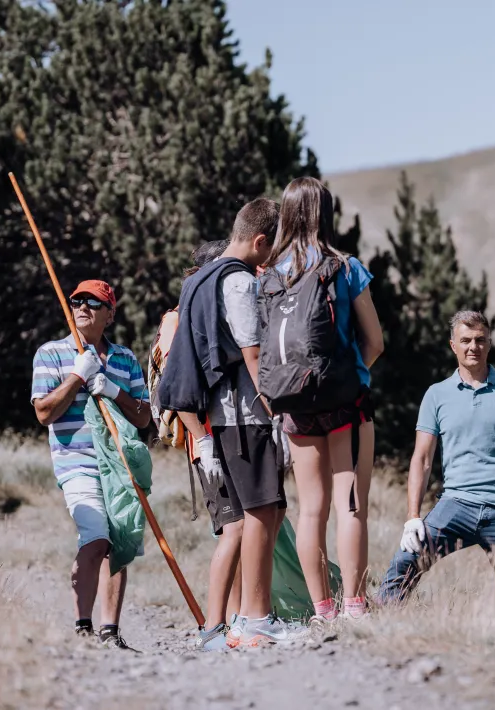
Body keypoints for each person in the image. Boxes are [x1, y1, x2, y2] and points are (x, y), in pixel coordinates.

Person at [162, 198, 301, 647]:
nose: (272, 257)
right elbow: (253, 352)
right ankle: (255, 620)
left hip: (222, 417)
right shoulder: (238, 281)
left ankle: (246, 619)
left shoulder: (199, 280)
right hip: (246, 415)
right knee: (262, 513)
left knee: (260, 513)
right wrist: (276, 412)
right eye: (271, 247)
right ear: (259, 240)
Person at [266, 177, 384, 623]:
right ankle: (354, 605)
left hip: (294, 404)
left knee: (310, 508)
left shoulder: (273, 276)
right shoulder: (345, 267)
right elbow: (375, 341)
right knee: (350, 502)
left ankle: (322, 609)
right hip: (344, 403)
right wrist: (348, 375)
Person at [376, 311, 495, 606]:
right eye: (466, 340)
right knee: (404, 565)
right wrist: (413, 517)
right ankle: (381, 626)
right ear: (453, 345)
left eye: (480, 340)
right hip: (456, 506)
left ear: (489, 343)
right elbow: (422, 459)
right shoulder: (437, 395)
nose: (474, 347)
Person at [31, 279, 152, 650]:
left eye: (93, 303)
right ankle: (82, 627)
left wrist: (114, 392)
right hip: (76, 462)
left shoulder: (125, 359)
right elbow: (44, 412)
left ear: (110, 314)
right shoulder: (51, 353)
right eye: (77, 301)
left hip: (117, 463)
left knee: (117, 542)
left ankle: (109, 632)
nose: (82, 306)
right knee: (97, 534)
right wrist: (78, 376)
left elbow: (145, 417)